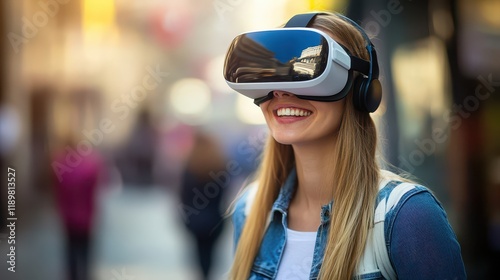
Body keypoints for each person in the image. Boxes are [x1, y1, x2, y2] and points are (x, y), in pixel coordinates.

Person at [223, 12, 466, 279]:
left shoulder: (407, 217)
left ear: (363, 92)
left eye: (309, 71)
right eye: (274, 75)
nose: (282, 92)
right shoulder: (250, 210)